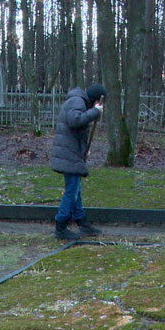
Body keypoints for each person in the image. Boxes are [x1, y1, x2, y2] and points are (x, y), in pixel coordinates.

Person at [50, 83, 106, 240]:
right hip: (69, 153)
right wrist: (94, 112)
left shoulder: (78, 101)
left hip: (71, 152)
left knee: (76, 189)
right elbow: (74, 121)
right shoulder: (77, 101)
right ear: (95, 99)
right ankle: (60, 226)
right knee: (72, 190)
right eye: (99, 103)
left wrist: (84, 150)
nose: (100, 106)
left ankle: (82, 222)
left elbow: (75, 131)